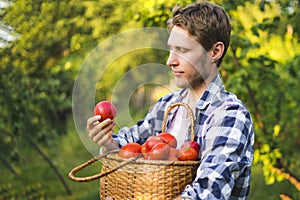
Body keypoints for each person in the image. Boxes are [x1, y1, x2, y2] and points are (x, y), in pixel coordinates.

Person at [87, 1, 254, 199]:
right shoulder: (169, 106)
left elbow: (208, 193)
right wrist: (107, 141)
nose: (170, 61)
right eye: (171, 49)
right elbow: (129, 142)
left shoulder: (229, 115)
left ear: (215, 52)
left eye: (182, 50)